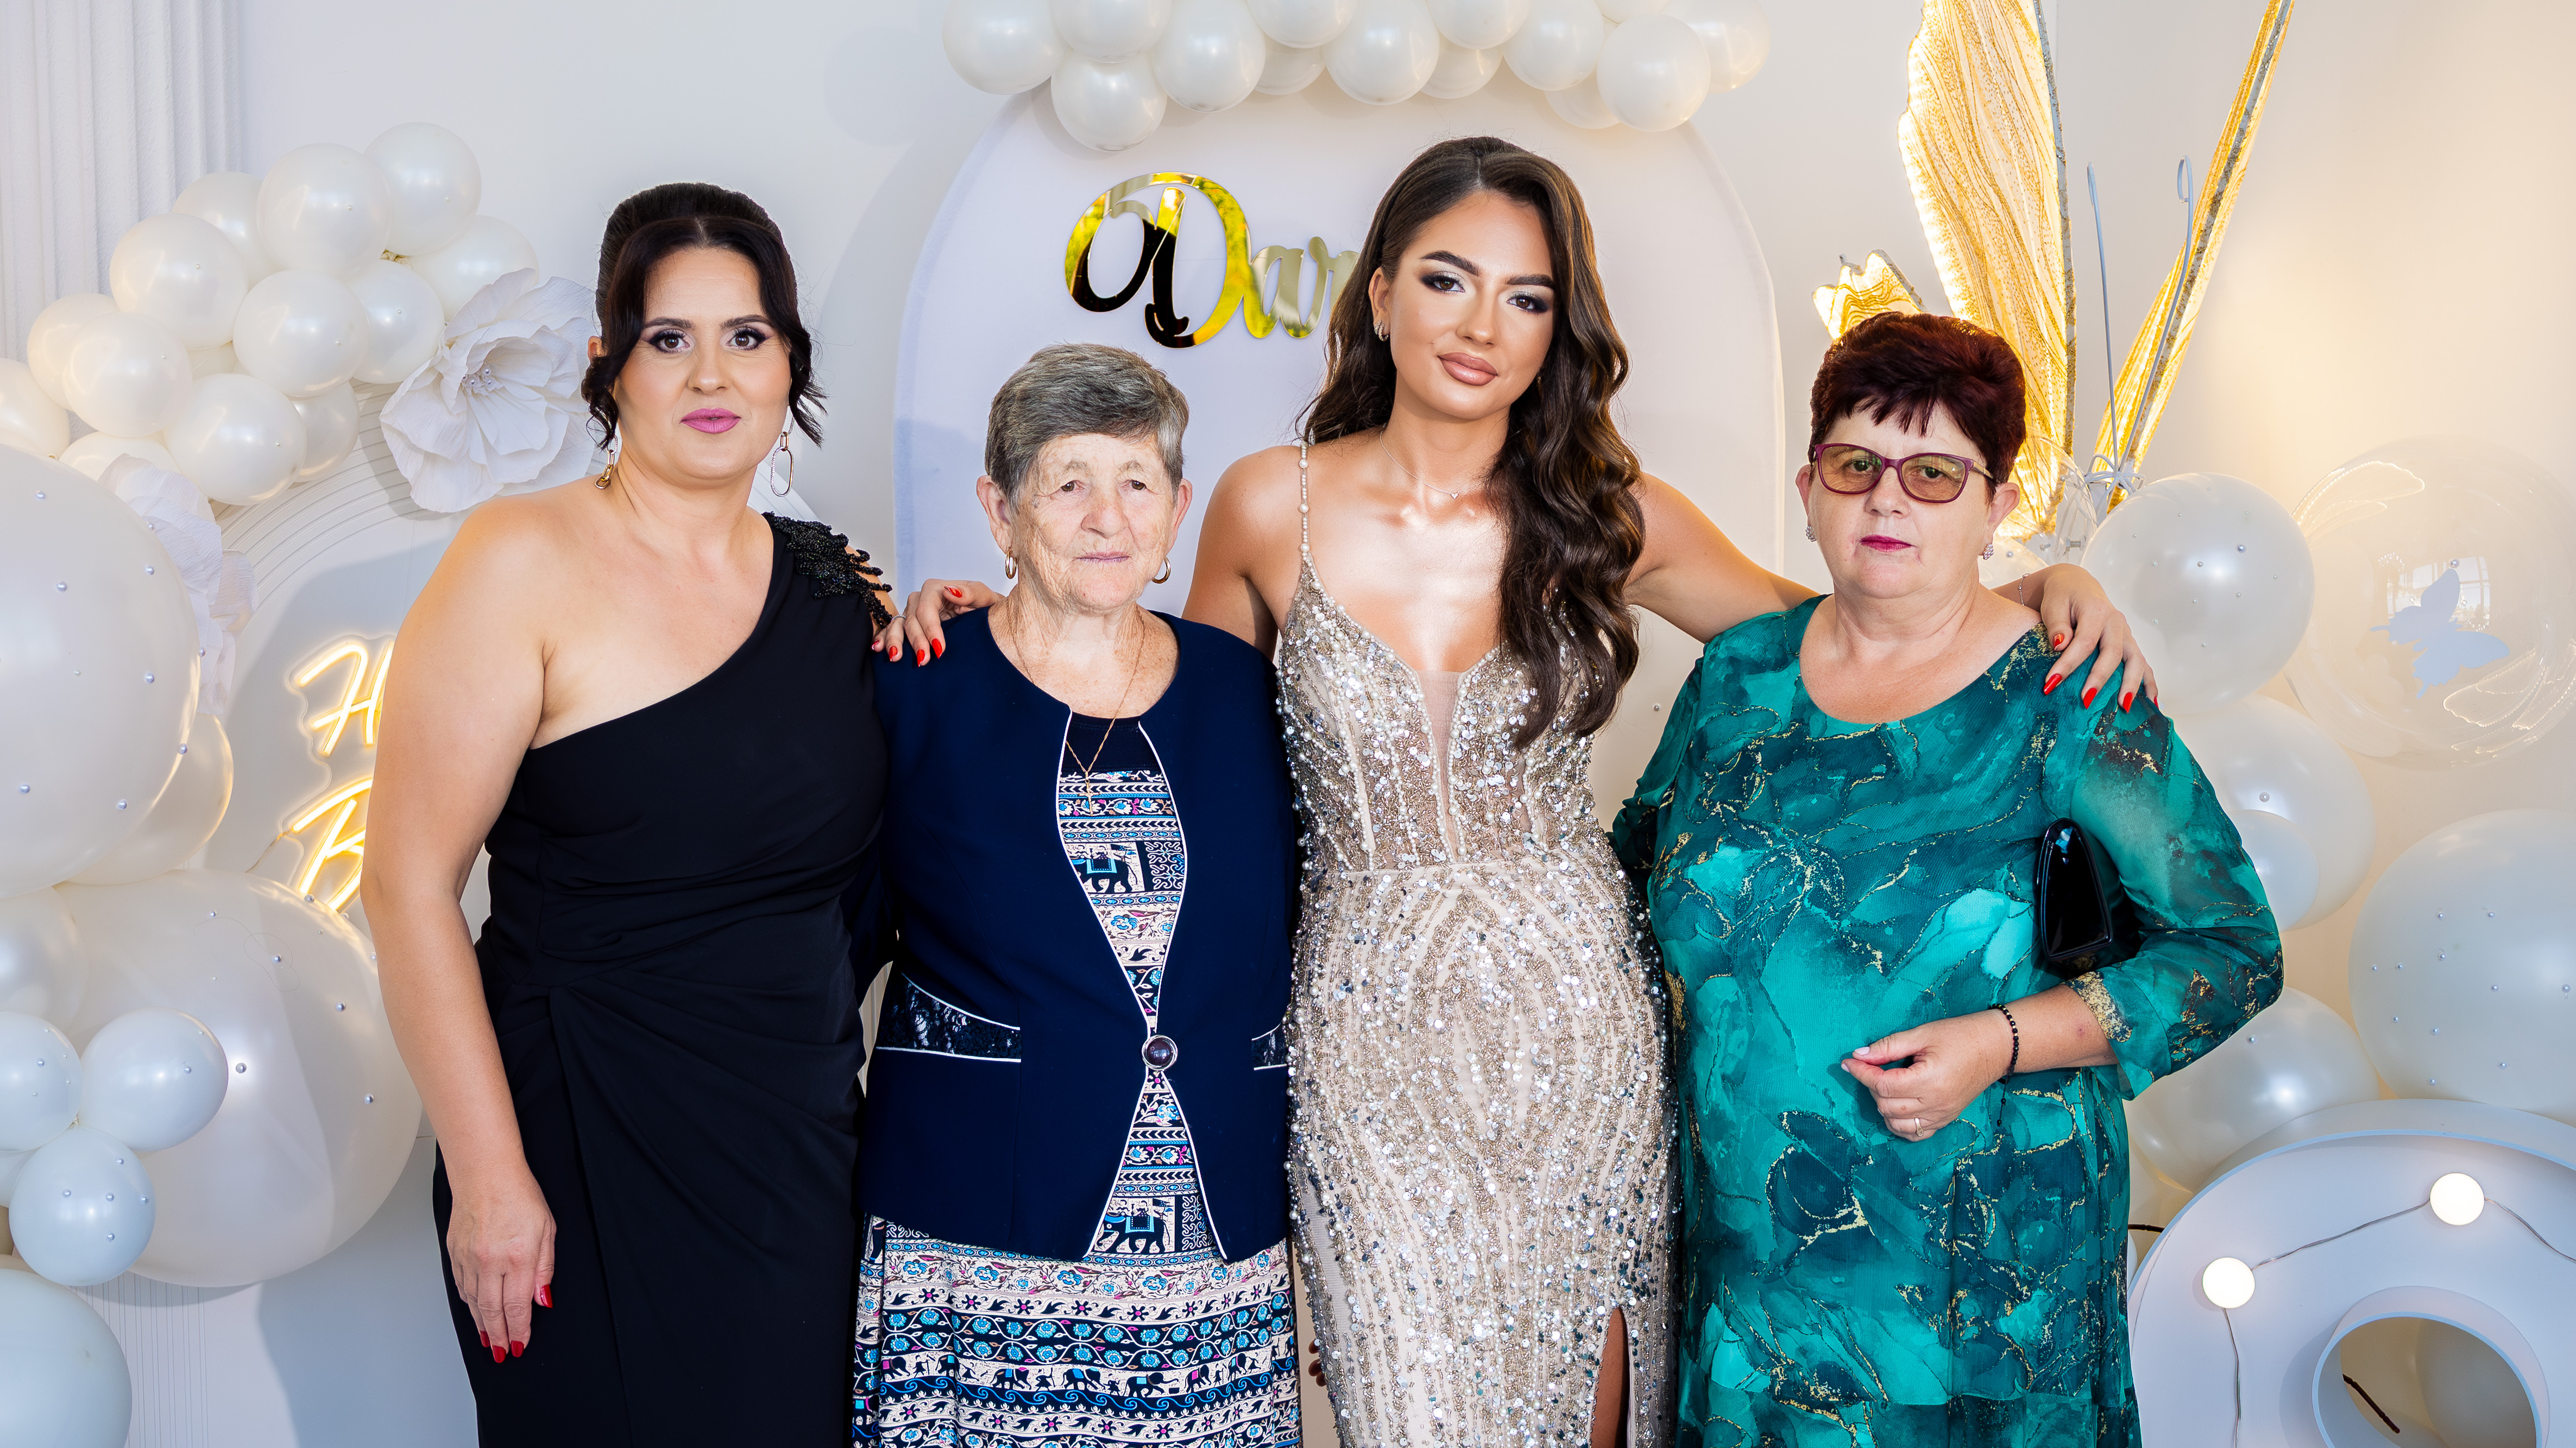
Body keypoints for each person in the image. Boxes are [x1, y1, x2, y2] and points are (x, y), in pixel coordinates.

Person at [885, 137, 2151, 1447]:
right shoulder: (1271, 504)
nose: (1481, 325)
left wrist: (2036, 590)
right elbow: (1175, 723)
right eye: (1447, 279)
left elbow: (1852, 635)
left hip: (1576, 1028)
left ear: (1558, 327)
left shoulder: (1608, 511)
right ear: (1381, 293)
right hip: (1365, 1039)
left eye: (1526, 296)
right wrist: (1006, 621)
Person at [1612, 311, 2281, 1446]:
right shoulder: (1737, 676)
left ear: (1995, 507)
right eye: (1854, 465)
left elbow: (2233, 951)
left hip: (1982, 1279)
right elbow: (1628, 884)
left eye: (1933, 474)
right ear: (1807, 488)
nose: (1888, 500)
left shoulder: (2069, 694)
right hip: (1751, 1262)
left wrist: (1997, 1040)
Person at [363, 182, 891, 1446]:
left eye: (746, 336)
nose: (711, 373)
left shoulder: (840, 588)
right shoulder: (517, 555)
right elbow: (405, 886)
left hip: (792, 1148)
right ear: (611, 365)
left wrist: (965, 624)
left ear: (789, 361)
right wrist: (490, 1176)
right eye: (668, 338)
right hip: (572, 1137)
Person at [852, 343, 1302, 1445]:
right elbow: (822, 955)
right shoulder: (912, 687)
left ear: (1178, 510)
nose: (1108, 517)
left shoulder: (1251, 690)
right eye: (1066, 484)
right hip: (974, 1247)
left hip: (1214, 1249)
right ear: (999, 511)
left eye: (1137, 481)